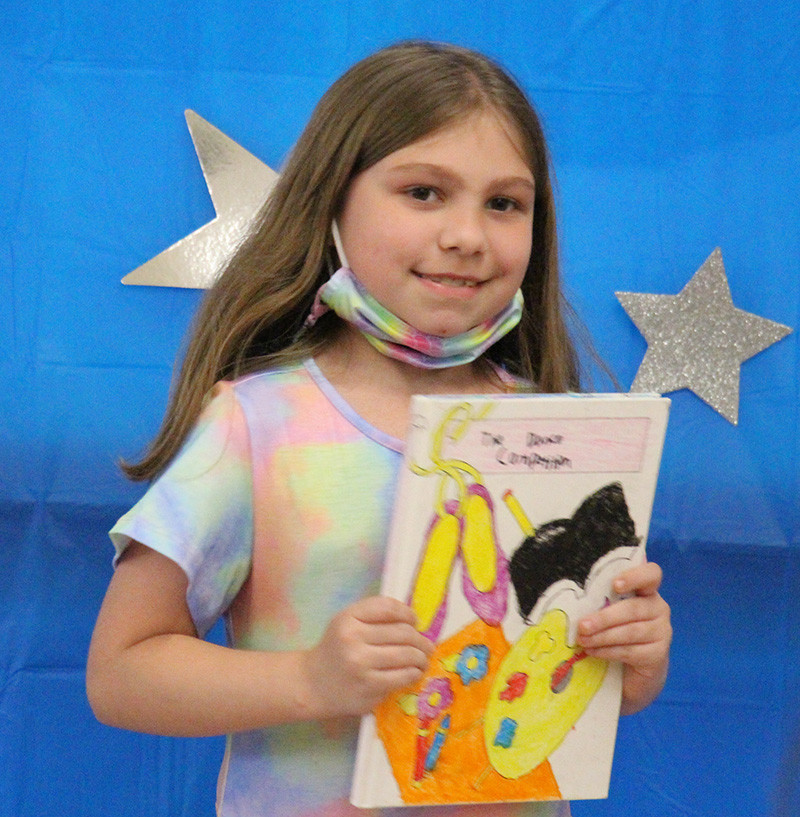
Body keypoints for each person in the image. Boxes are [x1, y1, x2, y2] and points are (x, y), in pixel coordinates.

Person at [87, 40, 672, 817]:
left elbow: (566, 691)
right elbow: (120, 673)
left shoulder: (552, 437)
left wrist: (630, 659)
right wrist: (309, 679)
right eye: (425, 192)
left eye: (504, 203)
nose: (468, 233)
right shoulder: (258, 424)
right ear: (332, 202)